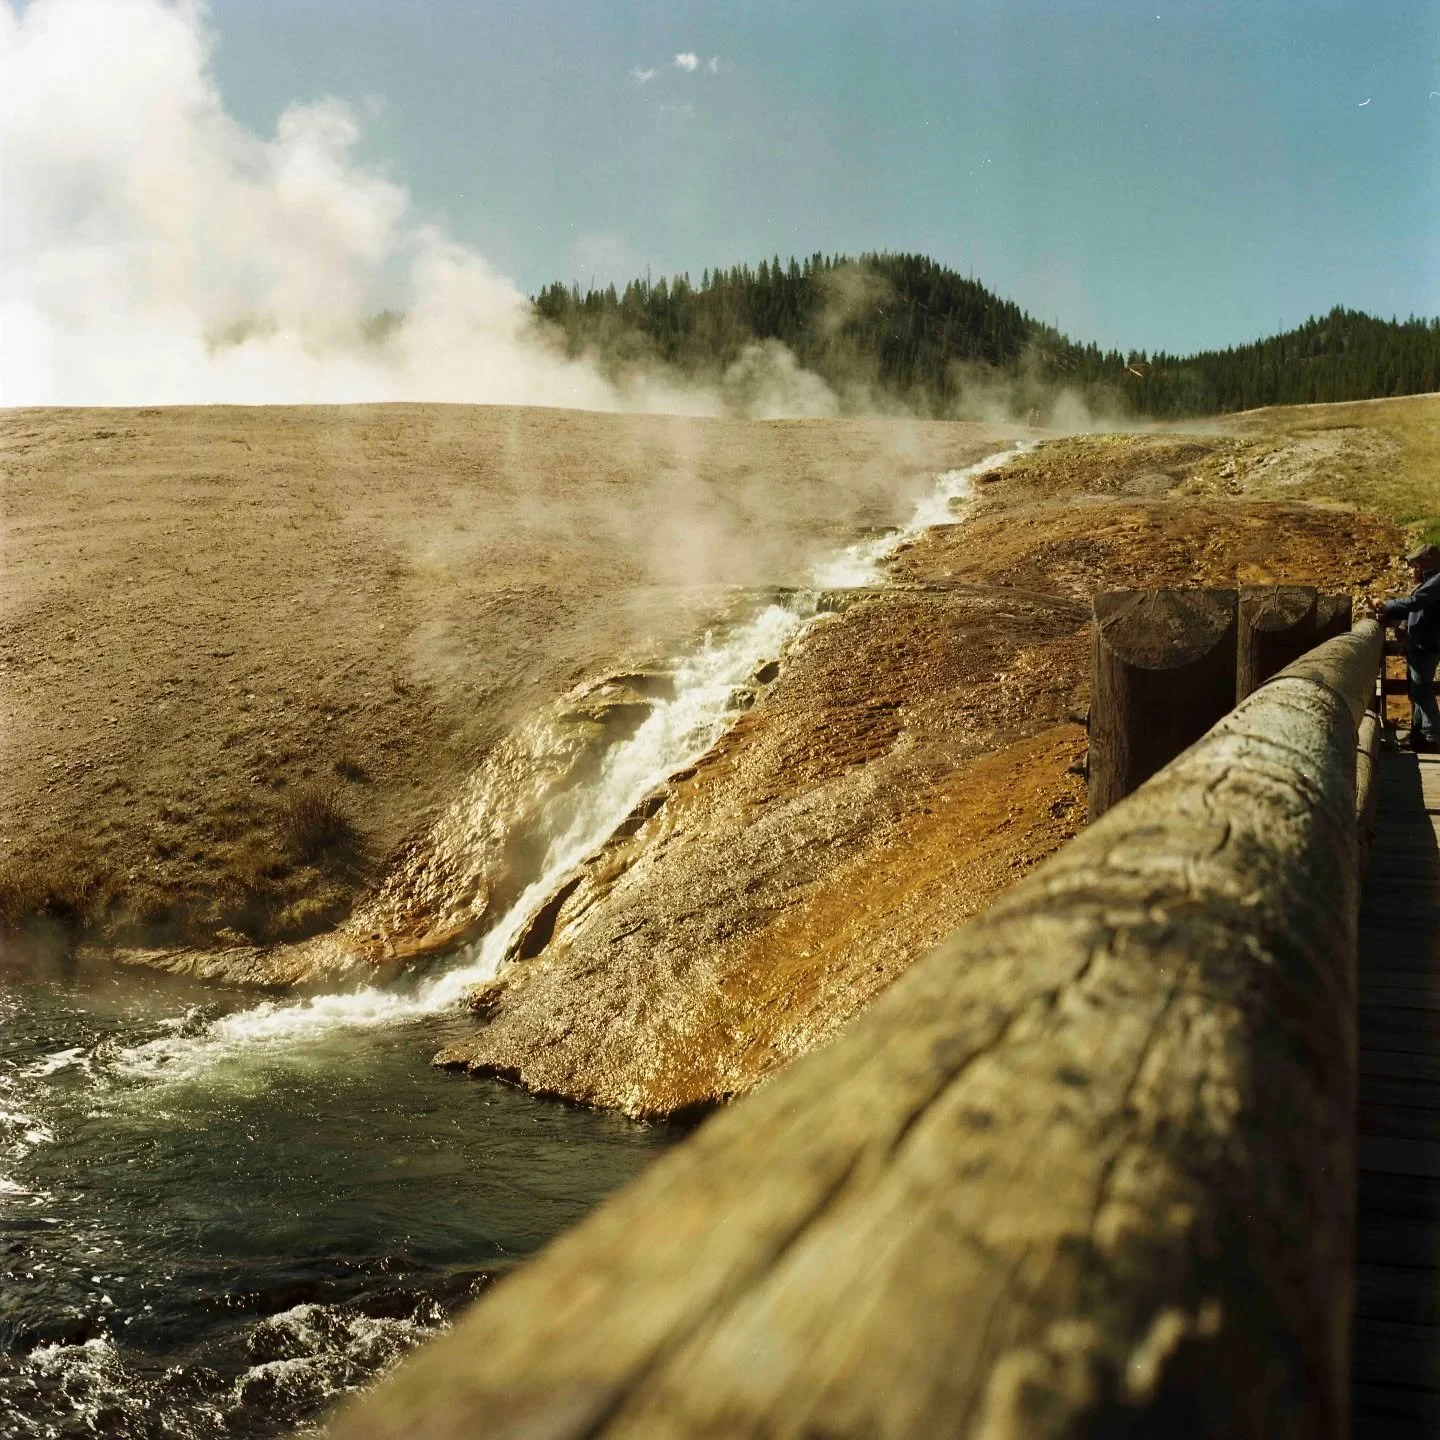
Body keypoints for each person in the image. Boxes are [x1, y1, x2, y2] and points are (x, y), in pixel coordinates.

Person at [1377, 543, 1440, 751]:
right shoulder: (1430, 581)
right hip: (1422, 643)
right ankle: (1419, 735)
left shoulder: (1436, 582)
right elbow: (1415, 608)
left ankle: (1432, 736)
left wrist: (1386, 606)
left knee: (1422, 689)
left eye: (1417, 563)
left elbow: (1414, 603)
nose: (1414, 567)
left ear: (1428, 561)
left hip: (1427, 644)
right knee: (1417, 689)